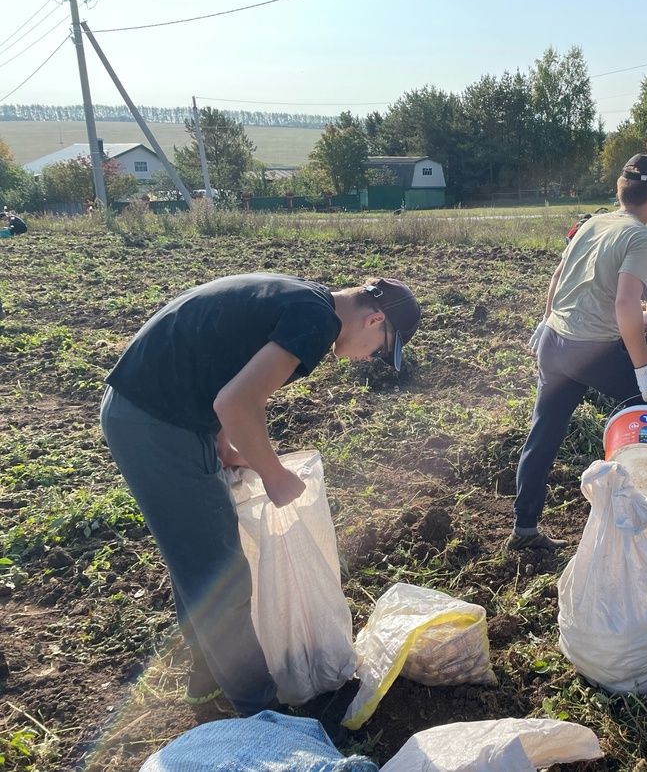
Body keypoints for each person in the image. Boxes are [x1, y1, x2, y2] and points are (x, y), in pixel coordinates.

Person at [99, 274, 421, 716]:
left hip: (164, 413)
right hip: (153, 423)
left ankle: (208, 679)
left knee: (200, 557)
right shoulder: (316, 321)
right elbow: (235, 402)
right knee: (219, 573)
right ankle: (262, 712)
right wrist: (274, 475)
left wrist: (224, 445)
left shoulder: (308, 300)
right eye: (382, 349)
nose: (372, 359)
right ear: (375, 319)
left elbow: (217, 360)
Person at [514, 153, 647, 551]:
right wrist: (645, 368)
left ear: (621, 190)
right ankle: (646, 527)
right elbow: (625, 304)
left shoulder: (593, 222)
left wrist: (545, 318)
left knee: (543, 434)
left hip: (554, 342)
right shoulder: (641, 236)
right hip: (592, 349)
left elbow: (557, 274)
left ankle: (524, 529)